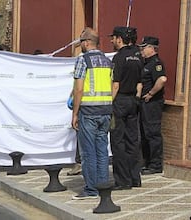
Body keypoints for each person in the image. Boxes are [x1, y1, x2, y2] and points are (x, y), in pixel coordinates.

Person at [71, 27, 113, 200]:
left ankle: (91, 189)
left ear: (87, 42)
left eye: (81, 41)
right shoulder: (107, 60)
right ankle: (102, 186)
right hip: (105, 111)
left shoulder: (83, 60)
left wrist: (74, 113)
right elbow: (112, 85)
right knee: (102, 151)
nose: (80, 45)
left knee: (88, 153)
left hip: (88, 112)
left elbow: (79, 89)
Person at [109, 26, 143, 190]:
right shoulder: (138, 55)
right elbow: (140, 83)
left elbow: (115, 85)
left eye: (113, 38)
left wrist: (109, 104)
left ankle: (123, 181)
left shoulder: (118, 58)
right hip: (133, 101)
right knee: (132, 140)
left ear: (119, 39)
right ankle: (135, 177)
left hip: (120, 100)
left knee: (118, 141)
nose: (112, 41)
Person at [138, 36, 167, 175]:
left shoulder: (156, 63)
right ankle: (147, 162)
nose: (141, 50)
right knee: (145, 133)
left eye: (144, 47)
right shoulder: (146, 63)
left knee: (153, 133)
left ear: (151, 48)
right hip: (144, 104)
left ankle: (155, 164)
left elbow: (162, 79)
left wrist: (150, 93)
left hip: (152, 103)